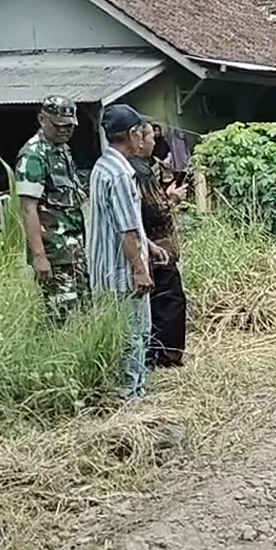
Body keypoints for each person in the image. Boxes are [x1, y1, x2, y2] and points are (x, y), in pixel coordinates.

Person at [88, 104, 155, 401]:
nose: (144, 139)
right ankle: (131, 396)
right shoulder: (120, 175)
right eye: (141, 133)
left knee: (127, 335)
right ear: (131, 134)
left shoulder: (102, 167)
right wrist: (139, 269)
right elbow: (126, 230)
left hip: (105, 269)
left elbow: (125, 222)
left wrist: (149, 246)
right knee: (134, 336)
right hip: (122, 273)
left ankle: (132, 391)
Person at [16, 95, 89, 321]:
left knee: (84, 313)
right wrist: (39, 256)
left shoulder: (63, 151)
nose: (65, 131)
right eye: (58, 126)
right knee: (62, 318)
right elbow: (29, 209)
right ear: (42, 119)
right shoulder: (33, 155)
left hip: (74, 250)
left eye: (69, 126)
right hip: (54, 254)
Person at [132, 123, 188, 368]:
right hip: (158, 250)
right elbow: (155, 211)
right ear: (140, 141)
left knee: (157, 304)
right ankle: (167, 356)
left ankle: (157, 353)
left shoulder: (136, 168)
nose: (155, 142)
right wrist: (173, 198)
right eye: (150, 138)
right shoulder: (141, 172)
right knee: (169, 302)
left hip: (148, 248)